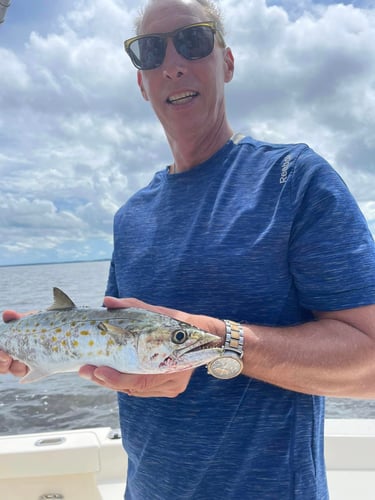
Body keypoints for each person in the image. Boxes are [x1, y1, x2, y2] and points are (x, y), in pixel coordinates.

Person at [2, 0, 375, 498]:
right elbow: (111, 339)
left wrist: (222, 342)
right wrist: (37, 345)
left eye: (194, 41)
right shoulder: (131, 215)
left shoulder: (294, 180)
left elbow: (369, 365)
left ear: (227, 62)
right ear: (141, 83)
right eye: (150, 51)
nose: (172, 64)